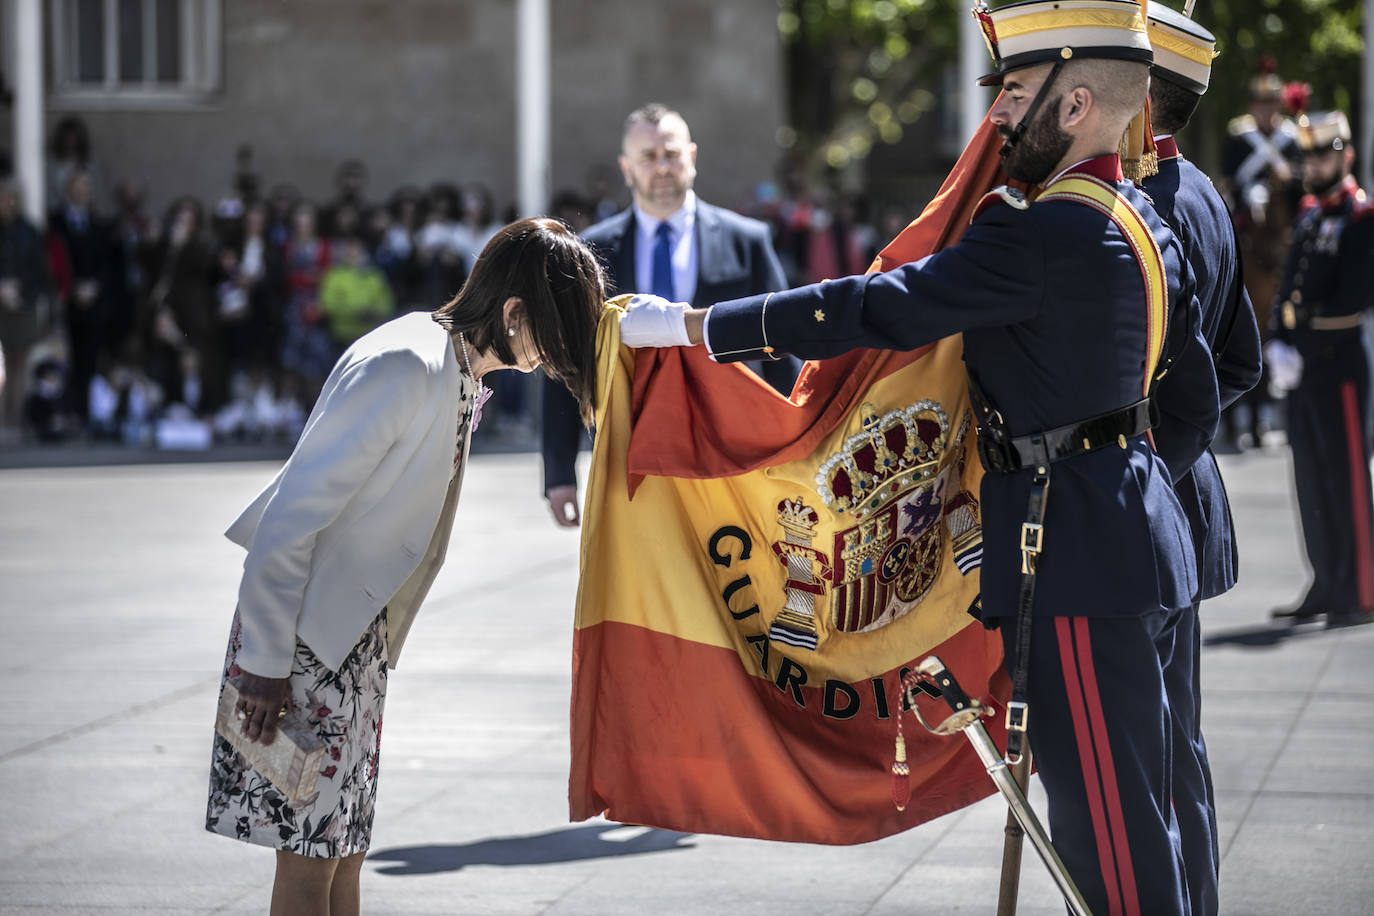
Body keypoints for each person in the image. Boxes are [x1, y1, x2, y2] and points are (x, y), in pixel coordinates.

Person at [622, 2, 1218, 910]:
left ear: (1076, 102)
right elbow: (1194, 401)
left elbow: (878, 305)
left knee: (1112, 840)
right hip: (1135, 538)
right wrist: (1113, 477)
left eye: (1015, 94)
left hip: (1078, 560)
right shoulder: (1143, 218)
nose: (999, 118)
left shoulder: (1039, 230)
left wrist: (701, 328)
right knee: (1151, 813)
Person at [205, 217, 605, 916]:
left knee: (345, 851)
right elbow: (291, 517)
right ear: (513, 314)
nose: (551, 356)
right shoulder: (406, 364)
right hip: (301, 644)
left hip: (351, 644)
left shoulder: (450, 364)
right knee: (307, 862)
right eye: (551, 336)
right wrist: (265, 661)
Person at [1141, 6, 1264, 913]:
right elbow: (1243, 363)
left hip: (1145, 506)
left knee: (1144, 746)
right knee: (1176, 739)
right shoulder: (1208, 195)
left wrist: (1150, 462)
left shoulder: (1147, 209)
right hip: (1180, 502)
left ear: (1142, 101)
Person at [540, 103, 798, 527]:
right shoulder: (588, 251)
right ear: (627, 168)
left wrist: (796, 447)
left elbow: (782, 348)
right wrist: (558, 473)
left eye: (671, 154)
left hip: (730, 452)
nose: (662, 168)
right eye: (648, 157)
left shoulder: (746, 242)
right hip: (630, 457)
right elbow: (565, 364)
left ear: (691, 158)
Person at [1266, 110, 1374, 629]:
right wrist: (1278, 339)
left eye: (1324, 153)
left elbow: (1353, 298)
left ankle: (1361, 589)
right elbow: (1288, 289)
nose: (1314, 163)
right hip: (1304, 368)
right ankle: (1326, 582)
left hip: (1340, 366)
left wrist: (1299, 329)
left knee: (1346, 478)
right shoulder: (1310, 215)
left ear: (1346, 156)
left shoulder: (1360, 216)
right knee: (1309, 479)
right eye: (1309, 154)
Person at [1221, 67, 1304, 448]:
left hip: (1283, 227)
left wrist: (1287, 179)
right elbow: (1229, 177)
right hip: (1247, 220)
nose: (1267, 110)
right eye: (1261, 103)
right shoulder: (1239, 139)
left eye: (1272, 103)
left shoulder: (1292, 140)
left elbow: (1302, 184)